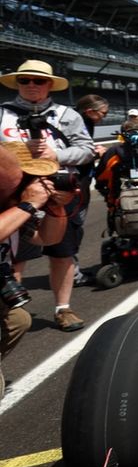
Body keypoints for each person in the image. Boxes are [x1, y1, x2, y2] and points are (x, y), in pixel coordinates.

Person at [0, 59, 95, 332]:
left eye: (38, 80)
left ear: (50, 85)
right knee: (14, 256)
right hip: (14, 195)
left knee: (62, 254)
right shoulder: (2, 113)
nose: (31, 85)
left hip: (58, 192)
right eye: (24, 80)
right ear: (17, 83)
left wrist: (56, 154)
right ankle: (10, 313)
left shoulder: (67, 114)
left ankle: (63, 309)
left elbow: (87, 149)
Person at [0, 142, 72, 397]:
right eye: (26, 178)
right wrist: (27, 205)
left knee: (18, 320)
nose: (35, 183)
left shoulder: (12, 206)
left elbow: (47, 239)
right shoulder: (18, 205)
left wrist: (55, 208)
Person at [71, 94, 110, 287]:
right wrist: (94, 152)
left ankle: (72, 270)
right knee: (73, 228)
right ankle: (73, 274)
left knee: (74, 228)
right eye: (103, 113)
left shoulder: (81, 122)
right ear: (90, 111)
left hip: (80, 180)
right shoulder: (77, 123)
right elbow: (72, 151)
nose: (104, 116)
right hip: (75, 183)